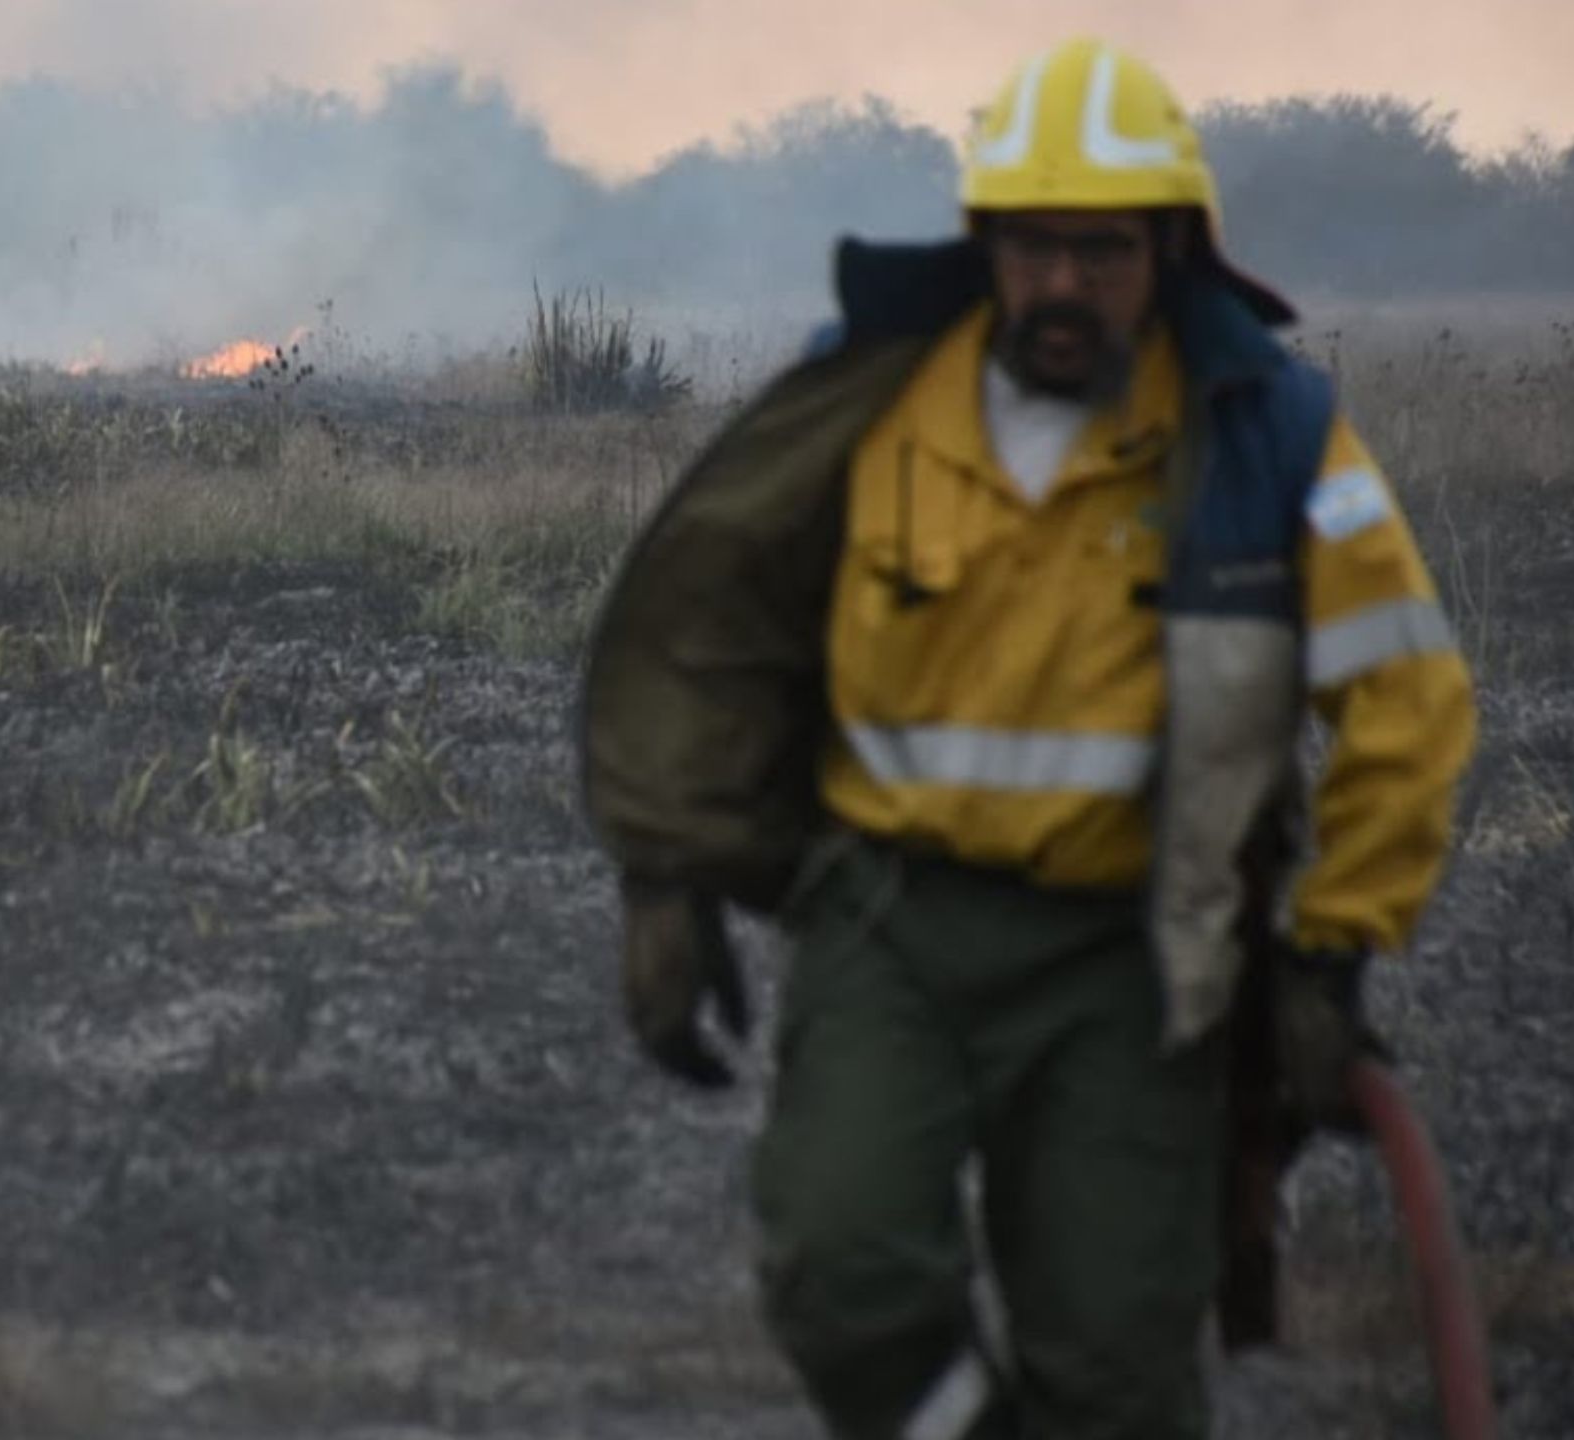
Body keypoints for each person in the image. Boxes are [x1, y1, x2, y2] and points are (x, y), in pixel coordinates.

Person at [577, 36, 1477, 1440]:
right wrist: (666, 875)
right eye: (1034, 247)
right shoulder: (867, 396)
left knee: (1114, 1370)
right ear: (987, 243)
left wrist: (1329, 949)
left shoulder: (1266, 432)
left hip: (1127, 959)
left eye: (1101, 253)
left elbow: (1406, 698)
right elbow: (714, 626)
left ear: (1169, 251)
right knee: (842, 1269)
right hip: (888, 925)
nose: (1063, 285)